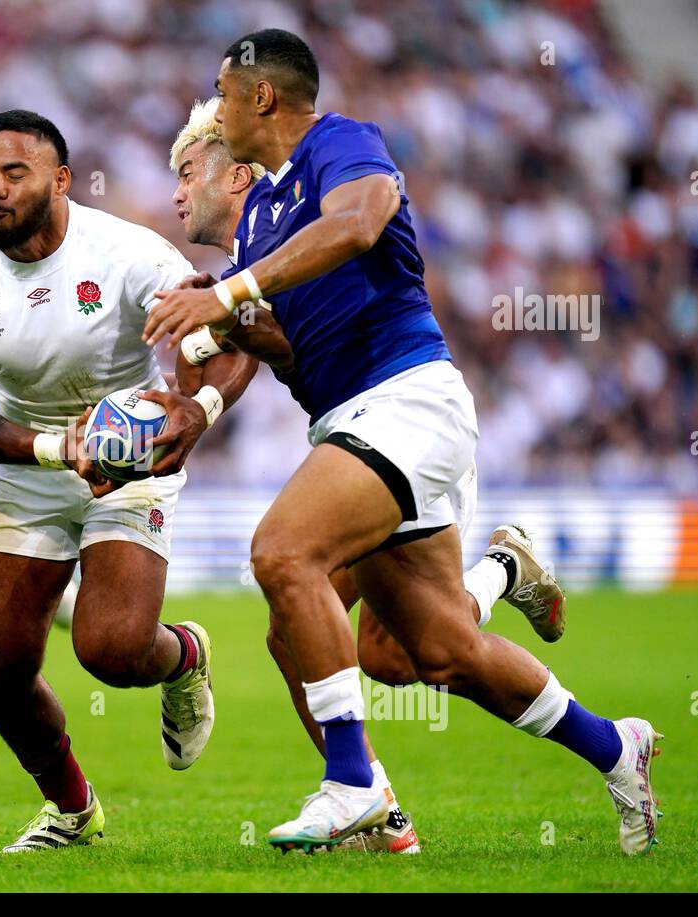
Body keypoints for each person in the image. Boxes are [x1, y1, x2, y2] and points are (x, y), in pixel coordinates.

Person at [145, 31, 660, 856]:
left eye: (187, 167)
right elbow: (284, 344)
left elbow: (358, 224)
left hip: (406, 402)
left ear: (260, 102)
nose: (175, 193)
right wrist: (222, 348)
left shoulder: (339, 144)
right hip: (355, 421)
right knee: (423, 650)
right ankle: (613, 744)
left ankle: (355, 789)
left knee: (283, 553)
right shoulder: (259, 233)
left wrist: (233, 297)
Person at [0, 110, 219, 853]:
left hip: (132, 457)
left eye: (12, 173)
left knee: (112, 651)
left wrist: (190, 406)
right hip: (37, 457)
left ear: (58, 181)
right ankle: (72, 811)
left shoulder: (123, 251)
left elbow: (213, 336)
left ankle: (183, 654)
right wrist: (56, 446)